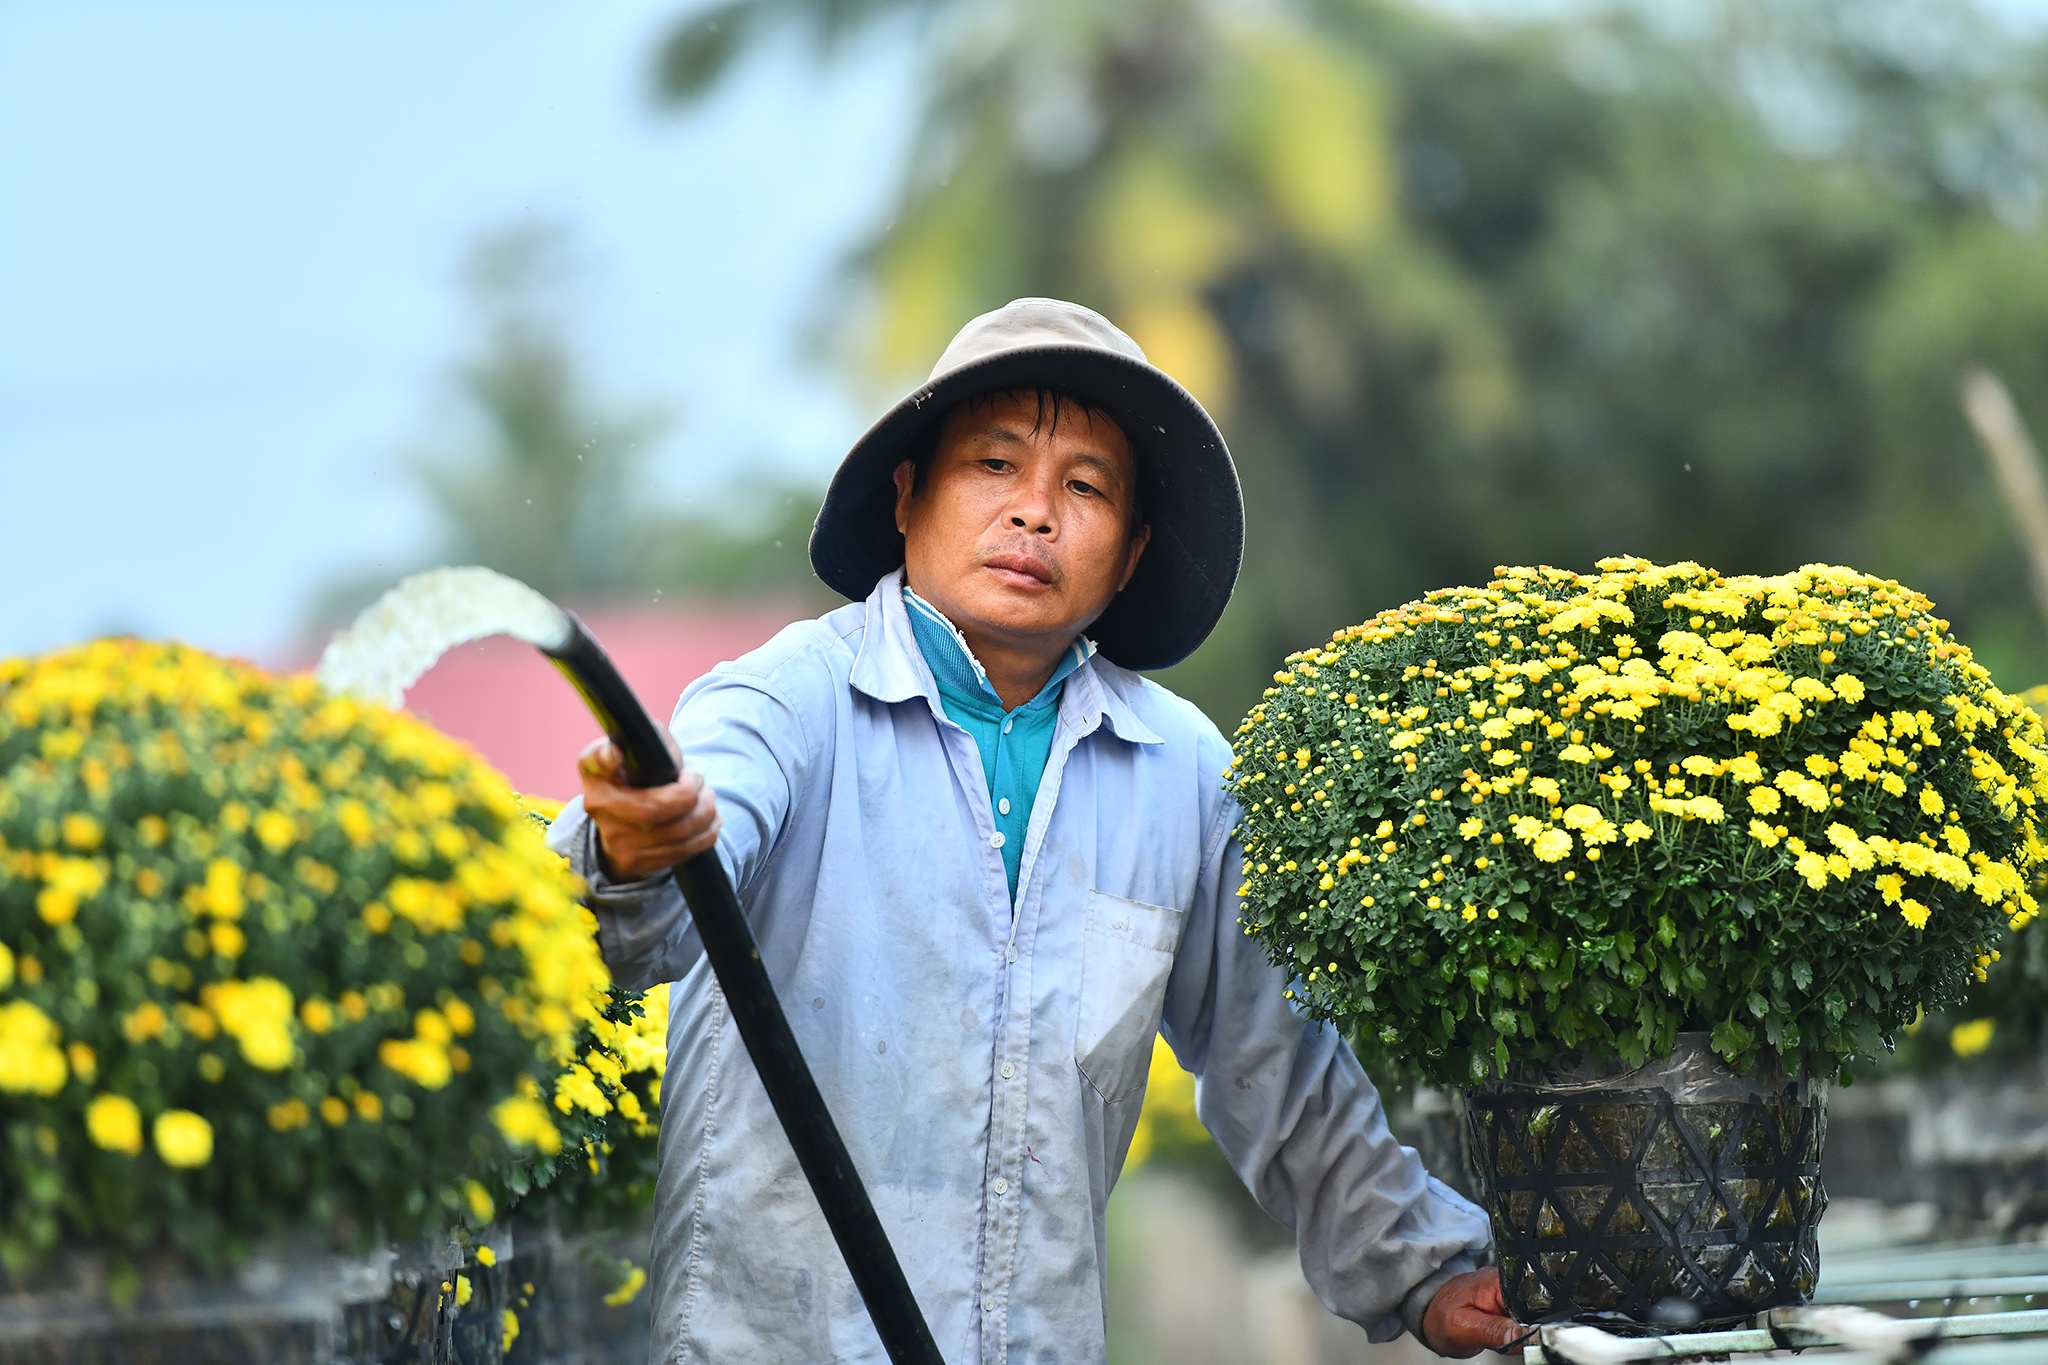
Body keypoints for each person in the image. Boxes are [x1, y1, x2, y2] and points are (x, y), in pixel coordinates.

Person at [548, 298, 1522, 1362]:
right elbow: (670, 861)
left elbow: (1279, 1069)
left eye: (1085, 487)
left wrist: (1425, 1273)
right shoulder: (786, 701)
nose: (1035, 514)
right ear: (908, 494)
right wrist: (637, 845)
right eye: (994, 464)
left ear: (1131, 549)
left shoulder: (1181, 772)